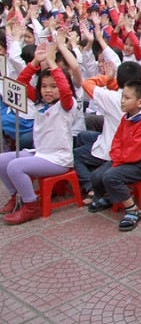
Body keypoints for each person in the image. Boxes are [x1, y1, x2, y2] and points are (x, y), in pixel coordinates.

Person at [0, 43, 77, 224]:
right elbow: (19, 84)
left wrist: (52, 62)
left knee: (15, 167)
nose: (48, 90)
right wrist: (35, 61)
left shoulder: (66, 105)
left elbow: (65, 90)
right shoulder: (40, 102)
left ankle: (31, 206)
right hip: (40, 153)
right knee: (2, 161)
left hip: (58, 159)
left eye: (53, 86)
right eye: (44, 86)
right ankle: (16, 197)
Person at [86, 80, 141, 231]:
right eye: (122, 96)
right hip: (126, 159)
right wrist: (116, 158)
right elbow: (117, 140)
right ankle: (110, 196)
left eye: (127, 98)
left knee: (111, 176)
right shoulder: (127, 117)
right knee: (96, 176)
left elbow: (136, 153)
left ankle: (133, 209)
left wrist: (117, 162)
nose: (122, 101)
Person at [74, 61, 141, 199]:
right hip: (125, 145)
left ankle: (91, 186)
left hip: (112, 150)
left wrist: (106, 77)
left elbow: (86, 84)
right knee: (83, 136)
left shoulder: (113, 98)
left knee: (72, 155)